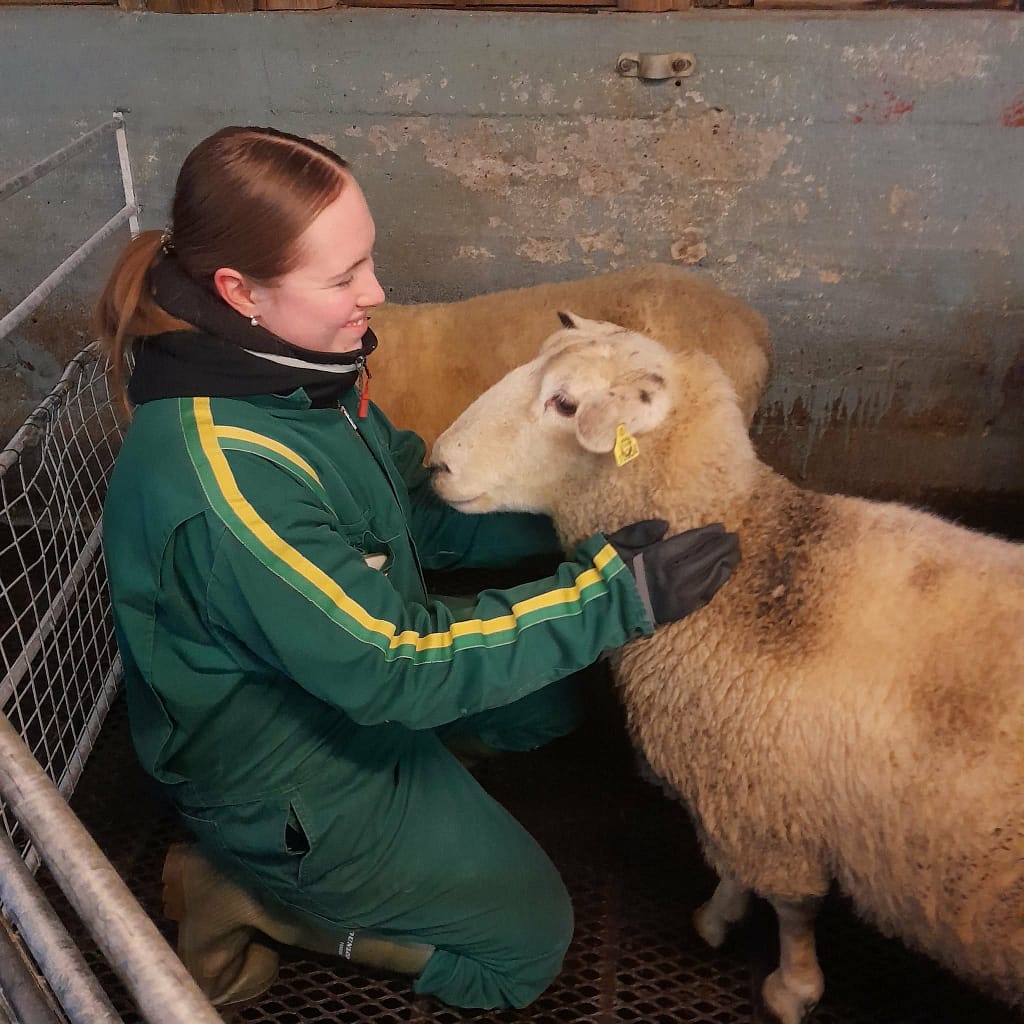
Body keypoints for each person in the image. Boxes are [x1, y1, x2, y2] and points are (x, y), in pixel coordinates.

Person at [96, 125, 740, 1012]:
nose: (376, 292)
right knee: (525, 952)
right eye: (343, 278)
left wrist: (587, 527)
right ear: (240, 291)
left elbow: (411, 513)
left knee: (554, 699)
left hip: (339, 683)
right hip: (283, 773)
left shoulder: (296, 377)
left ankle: (418, 819)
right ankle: (249, 896)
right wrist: (609, 599)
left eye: (369, 260)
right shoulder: (228, 481)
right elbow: (393, 662)